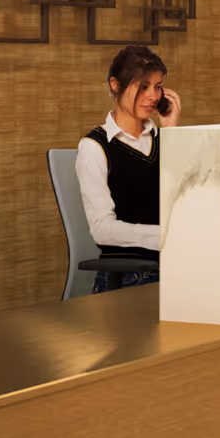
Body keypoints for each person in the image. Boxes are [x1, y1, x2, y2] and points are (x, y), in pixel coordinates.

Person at [75, 44, 182, 293]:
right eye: (143, 86)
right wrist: (166, 236)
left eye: (157, 86)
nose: (153, 96)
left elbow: (182, 200)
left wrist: (172, 132)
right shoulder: (94, 147)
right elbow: (102, 229)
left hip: (177, 267)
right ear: (115, 84)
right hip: (129, 277)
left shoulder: (163, 139)